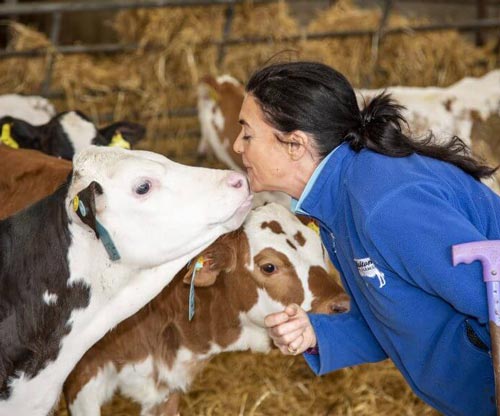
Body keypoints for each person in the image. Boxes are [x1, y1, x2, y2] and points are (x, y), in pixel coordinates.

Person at [232, 61, 500, 416]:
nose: (237, 146)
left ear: (295, 144)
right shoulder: (339, 200)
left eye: (248, 134)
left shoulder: (385, 206)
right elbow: (393, 314)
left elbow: (493, 297)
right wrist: (316, 334)